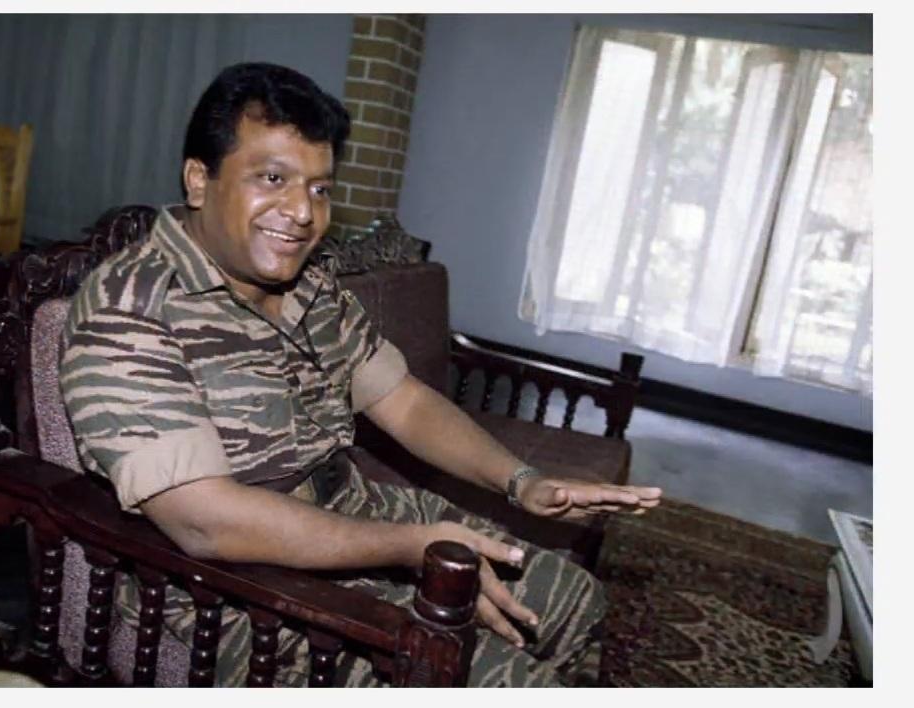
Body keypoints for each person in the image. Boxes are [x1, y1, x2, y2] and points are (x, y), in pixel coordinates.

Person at [59, 61, 662, 687]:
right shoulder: (130, 307)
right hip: (234, 597)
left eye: (320, 188)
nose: (302, 212)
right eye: (273, 178)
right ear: (198, 180)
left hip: (355, 509)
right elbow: (204, 522)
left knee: (575, 602)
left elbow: (403, 401)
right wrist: (409, 547)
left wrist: (522, 482)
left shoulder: (311, 285)